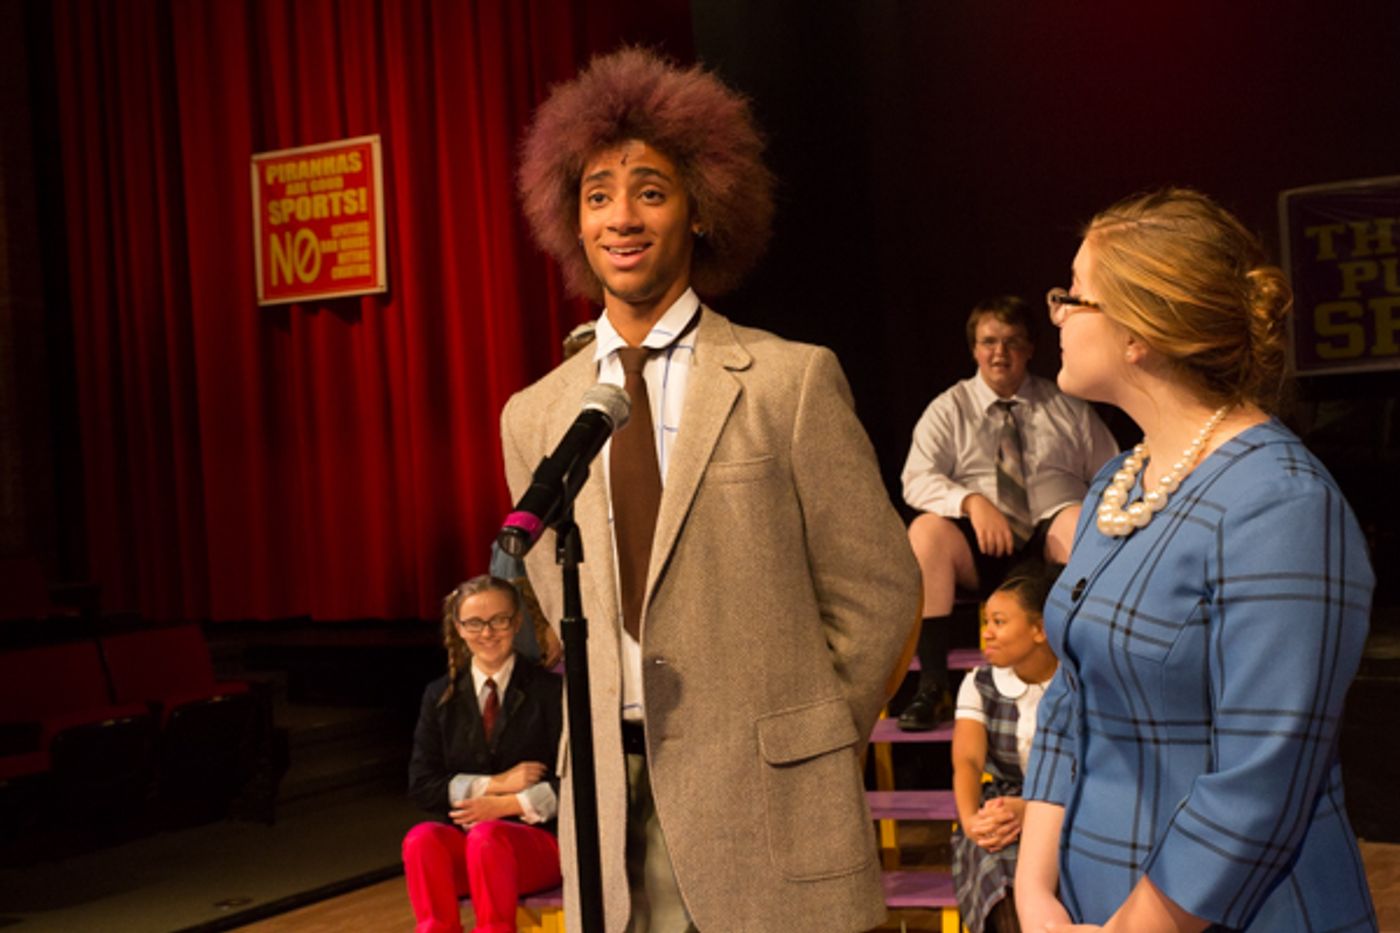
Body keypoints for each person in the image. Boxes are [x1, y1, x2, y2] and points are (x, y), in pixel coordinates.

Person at [502, 47, 921, 933]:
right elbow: (564, 606)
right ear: (571, 220)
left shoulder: (789, 381)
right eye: (598, 196)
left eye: (651, 191)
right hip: (607, 811)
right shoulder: (535, 417)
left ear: (701, 208)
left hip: (771, 805)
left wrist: (808, 738)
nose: (622, 217)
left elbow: (879, 590)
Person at [1015, 188, 1377, 931]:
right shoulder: (1118, 483)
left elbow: (1262, 777)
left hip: (1224, 914)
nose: (1056, 313)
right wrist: (1034, 891)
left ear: (1139, 333)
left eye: (1074, 295)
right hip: (1085, 899)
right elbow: (1069, 702)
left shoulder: (1280, 503)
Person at [898, 296, 1117, 730]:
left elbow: (1112, 473)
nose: (1000, 353)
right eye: (989, 342)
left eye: (1013, 342)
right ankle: (933, 687)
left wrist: (1085, 511)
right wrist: (970, 502)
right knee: (925, 531)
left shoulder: (1066, 406)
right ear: (974, 349)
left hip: (1048, 550)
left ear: (1030, 348)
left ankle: (1083, 677)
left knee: (1079, 520)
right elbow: (916, 479)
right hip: (980, 546)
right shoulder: (950, 408)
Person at [402, 575, 564, 933]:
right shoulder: (439, 695)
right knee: (421, 840)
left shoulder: (551, 691)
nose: (487, 633)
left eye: (499, 621)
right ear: (459, 628)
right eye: (474, 623)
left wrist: (509, 805)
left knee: (487, 837)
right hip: (472, 844)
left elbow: (577, 782)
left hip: (538, 843)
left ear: (516, 622)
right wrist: (496, 784)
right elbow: (423, 785)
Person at [950, 568, 1058, 933]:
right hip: (1002, 807)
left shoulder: (1074, 683)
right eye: (986, 622)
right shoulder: (979, 683)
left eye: (999, 622)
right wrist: (972, 822)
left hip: (1067, 805)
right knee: (995, 860)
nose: (987, 632)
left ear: (1039, 629)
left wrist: (1034, 811)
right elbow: (967, 761)